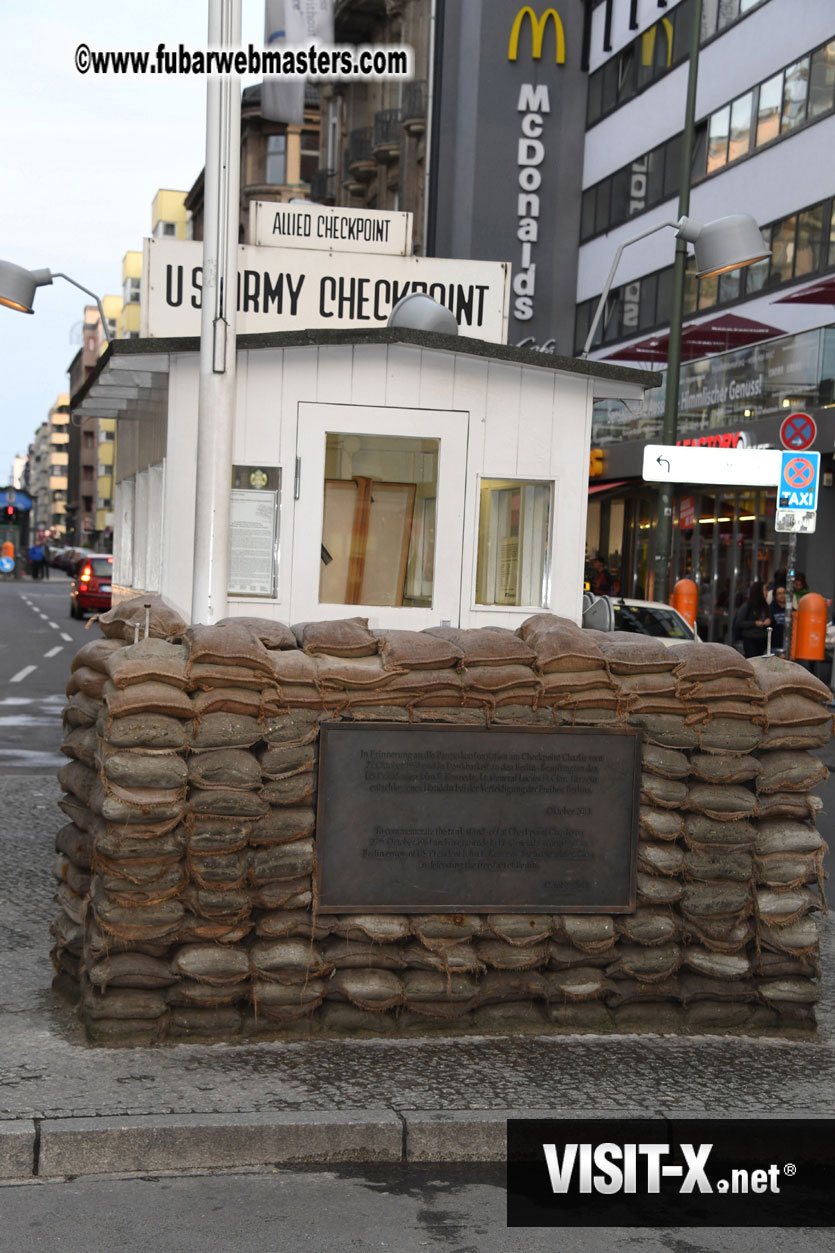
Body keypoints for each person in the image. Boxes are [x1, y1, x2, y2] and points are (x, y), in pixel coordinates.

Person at [738, 581, 771, 658]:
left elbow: (770, 618)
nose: (767, 592)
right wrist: (754, 623)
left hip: (762, 638)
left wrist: (768, 621)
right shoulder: (747, 606)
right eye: (764, 590)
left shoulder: (766, 606)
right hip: (750, 638)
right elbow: (739, 622)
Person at [768, 584, 787, 653]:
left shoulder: (790, 609)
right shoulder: (770, 609)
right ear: (775, 596)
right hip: (774, 645)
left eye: (784, 593)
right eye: (779, 593)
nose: (782, 595)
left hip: (788, 645)